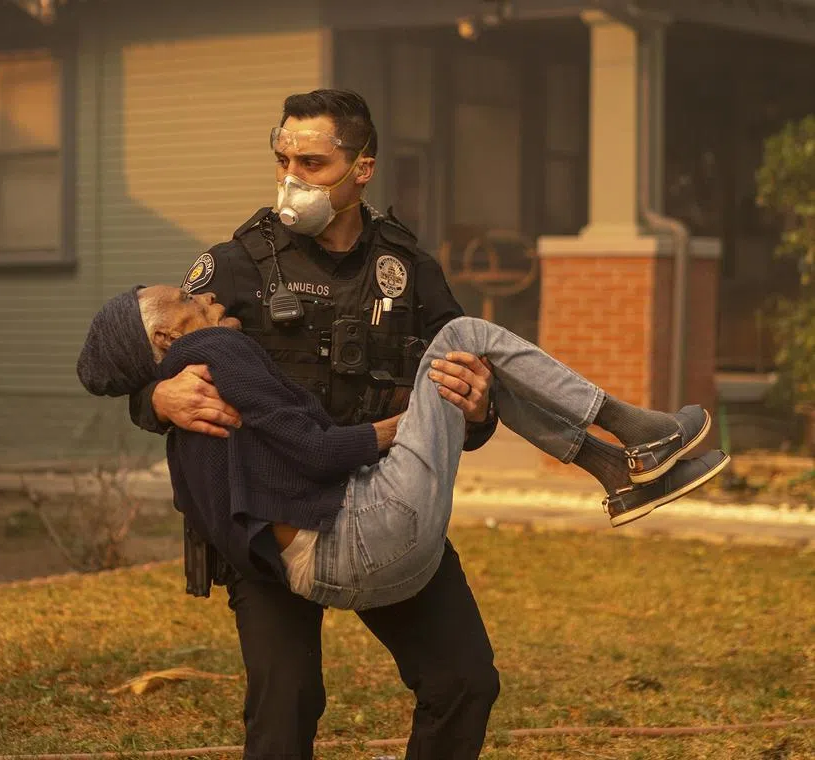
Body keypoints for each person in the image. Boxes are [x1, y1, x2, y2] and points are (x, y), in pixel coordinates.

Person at [127, 89, 501, 759]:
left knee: (465, 679)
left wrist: (477, 409)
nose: (291, 178)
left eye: (313, 162)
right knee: (287, 701)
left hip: (382, 503)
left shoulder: (408, 271)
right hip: (272, 519)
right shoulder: (233, 264)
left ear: (362, 169)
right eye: (282, 159)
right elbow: (142, 368)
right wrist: (161, 399)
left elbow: (466, 395)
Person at [81, 284, 728, 607]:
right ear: (166, 341)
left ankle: (618, 469)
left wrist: (432, 412)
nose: (210, 296)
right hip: (368, 535)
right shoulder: (210, 349)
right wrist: (416, 418)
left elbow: (280, 473)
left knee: (468, 368)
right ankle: (635, 427)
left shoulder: (185, 441)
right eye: (186, 298)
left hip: (331, 577)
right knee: (461, 338)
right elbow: (317, 452)